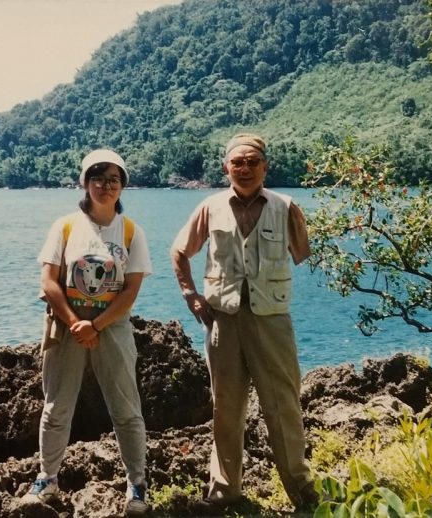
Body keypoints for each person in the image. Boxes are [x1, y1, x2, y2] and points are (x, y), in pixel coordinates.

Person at [169, 134, 320, 511]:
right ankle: (224, 492)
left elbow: (302, 254)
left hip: (272, 320)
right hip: (224, 321)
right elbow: (179, 251)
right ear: (226, 168)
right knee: (225, 408)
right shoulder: (211, 207)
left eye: (253, 161)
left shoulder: (286, 207)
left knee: (283, 405)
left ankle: (303, 491)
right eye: (238, 162)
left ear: (265, 167)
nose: (246, 168)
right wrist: (191, 294)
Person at [23, 149, 152, 515]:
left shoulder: (130, 232)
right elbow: (48, 281)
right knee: (56, 407)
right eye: (98, 178)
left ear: (122, 185)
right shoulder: (65, 226)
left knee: (126, 409)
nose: (106, 186)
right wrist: (75, 322)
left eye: (114, 179)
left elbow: (130, 290)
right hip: (65, 328)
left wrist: (95, 325)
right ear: (85, 182)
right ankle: (47, 478)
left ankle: (137, 485)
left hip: (111, 328)